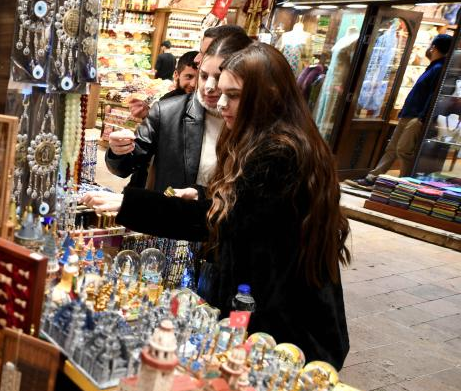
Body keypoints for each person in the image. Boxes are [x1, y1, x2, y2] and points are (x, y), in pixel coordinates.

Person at [88, 43, 351, 368]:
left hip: (288, 323)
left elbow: (227, 219)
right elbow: (248, 207)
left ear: (268, 93)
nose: (220, 101)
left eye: (234, 94)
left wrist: (127, 203)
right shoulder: (261, 138)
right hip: (269, 306)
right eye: (216, 87)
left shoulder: (281, 151)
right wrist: (201, 195)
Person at [106, 31, 253, 191]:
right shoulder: (167, 112)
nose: (208, 87)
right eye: (203, 76)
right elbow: (125, 166)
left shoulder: (260, 122)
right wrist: (118, 151)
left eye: (219, 77)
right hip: (171, 213)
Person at [349, 32, 454, 189]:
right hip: (410, 113)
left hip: (417, 116)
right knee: (392, 148)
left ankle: (404, 184)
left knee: (403, 150)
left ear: (433, 47)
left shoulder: (438, 68)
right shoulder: (434, 67)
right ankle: (373, 178)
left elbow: (434, 96)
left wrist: (421, 117)